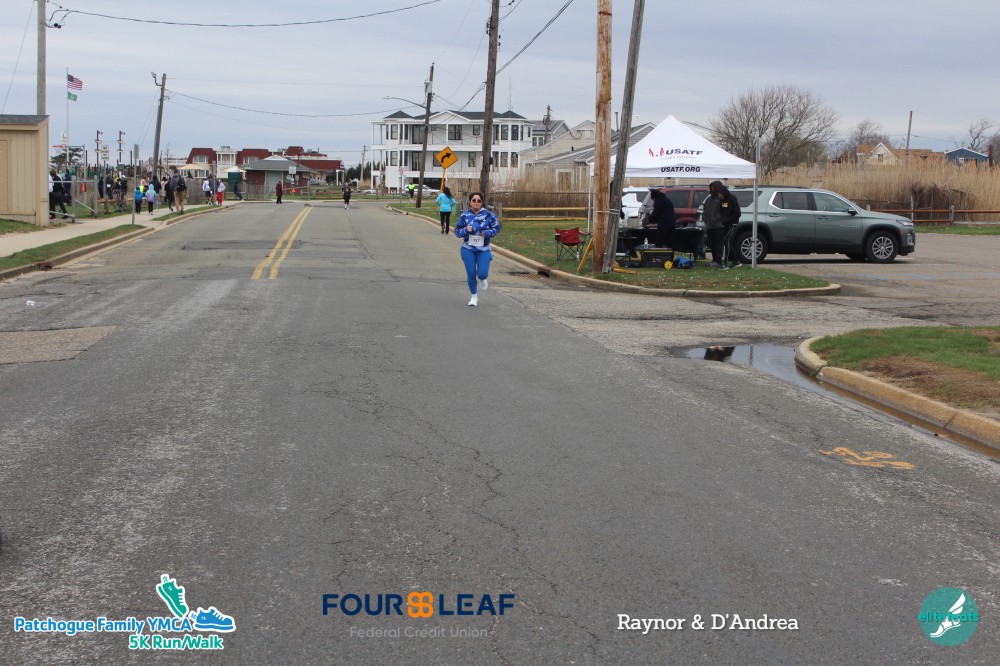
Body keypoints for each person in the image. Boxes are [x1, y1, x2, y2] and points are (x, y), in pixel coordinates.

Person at [454, 192, 501, 307]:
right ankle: (474, 297)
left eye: (478, 200)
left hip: (483, 249)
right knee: (471, 273)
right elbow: (457, 231)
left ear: (482, 202)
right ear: (470, 202)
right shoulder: (464, 215)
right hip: (468, 248)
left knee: (482, 273)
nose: (476, 202)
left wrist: (488, 233)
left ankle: (482, 278)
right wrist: (466, 230)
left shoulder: (489, 215)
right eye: (474, 200)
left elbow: (497, 228)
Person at [704, 181, 742, 268]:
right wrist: (706, 220)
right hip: (712, 224)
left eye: (713, 187)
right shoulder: (710, 199)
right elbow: (706, 210)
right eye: (711, 187)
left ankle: (722, 261)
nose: (712, 189)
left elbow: (733, 212)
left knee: (723, 243)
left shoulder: (726, 198)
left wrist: (723, 221)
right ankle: (731, 261)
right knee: (716, 243)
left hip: (722, 225)